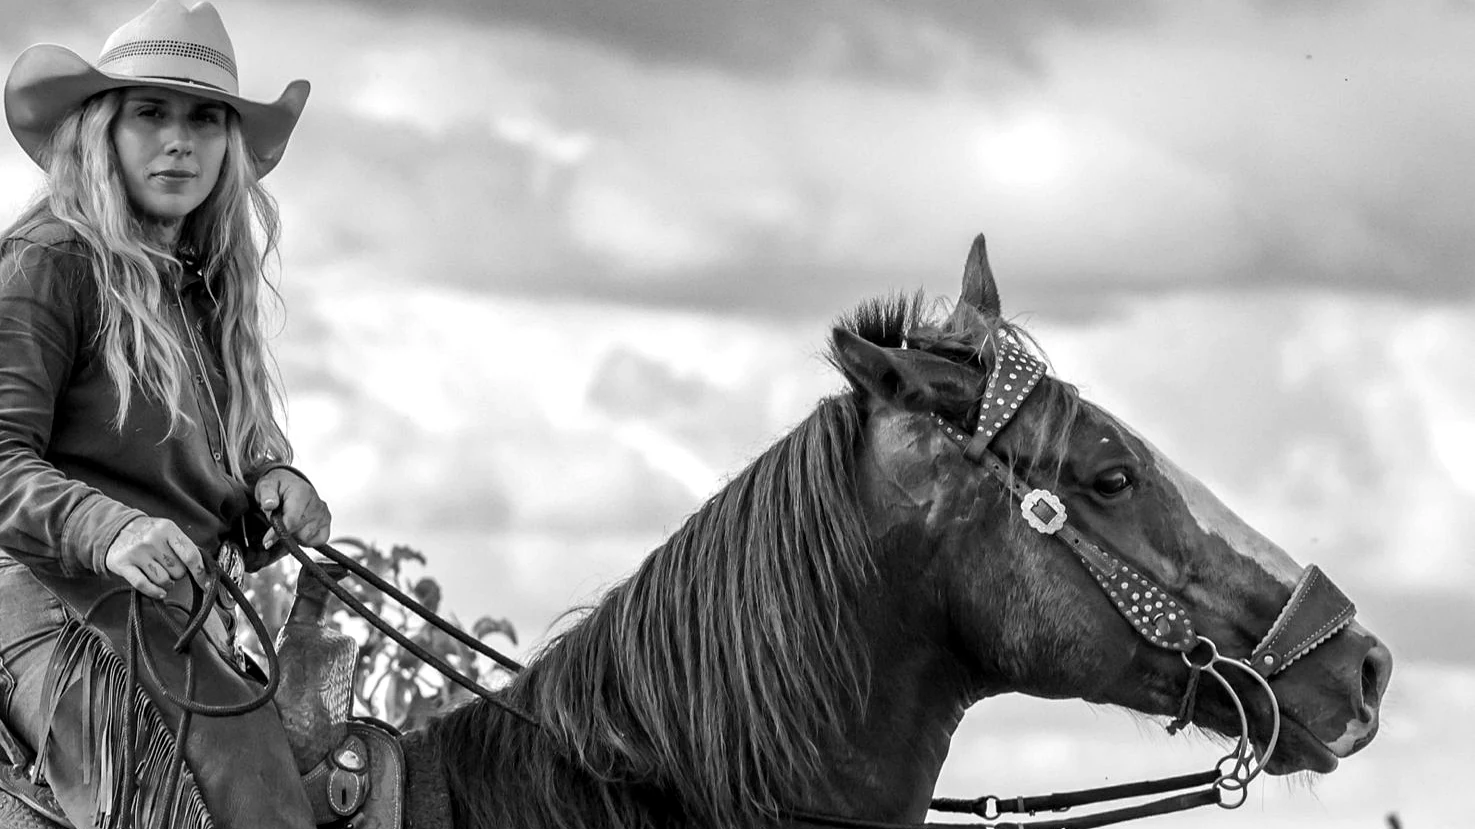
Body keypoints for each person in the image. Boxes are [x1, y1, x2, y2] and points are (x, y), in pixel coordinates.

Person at [0, 2, 327, 826]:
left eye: (205, 118)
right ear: (102, 129)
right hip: (49, 596)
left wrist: (268, 478)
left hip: (172, 619)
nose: (180, 140)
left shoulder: (202, 287)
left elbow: (196, 457)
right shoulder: (50, 261)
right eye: (151, 113)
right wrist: (109, 529)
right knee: (229, 798)